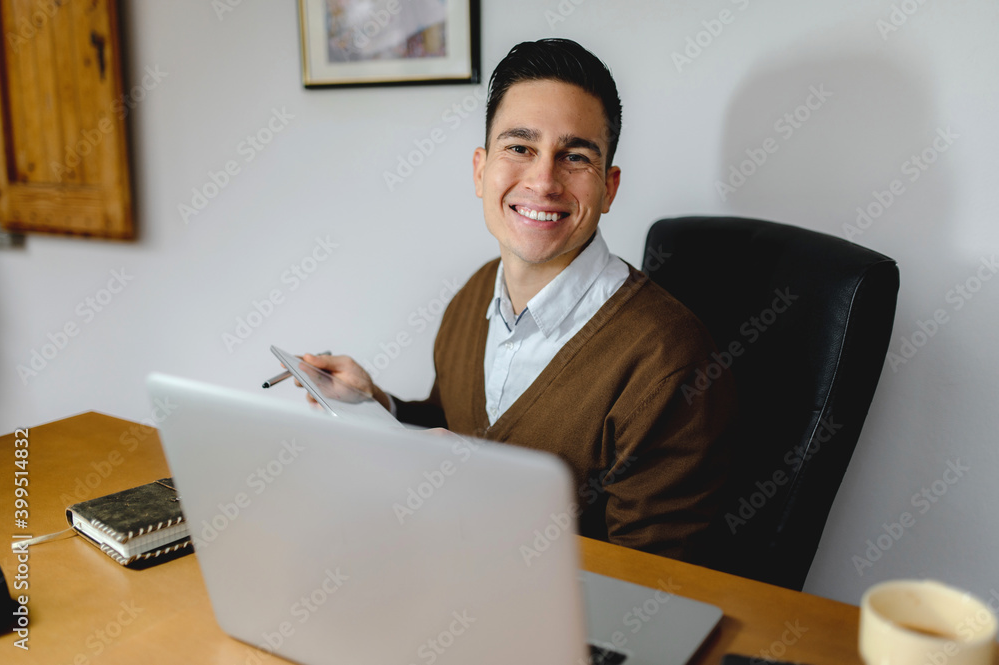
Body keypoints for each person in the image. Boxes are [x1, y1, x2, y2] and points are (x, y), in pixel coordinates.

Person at [299, 38, 736, 562]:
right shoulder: (475, 294)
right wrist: (374, 405)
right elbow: (453, 422)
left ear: (609, 187)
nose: (543, 180)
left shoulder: (670, 361)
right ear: (481, 171)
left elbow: (655, 584)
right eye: (520, 148)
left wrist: (482, 492)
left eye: (575, 156)